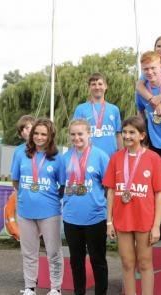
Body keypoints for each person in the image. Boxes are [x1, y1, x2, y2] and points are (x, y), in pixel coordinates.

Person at [103, 116, 161, 295]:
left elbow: (159, 194)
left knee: (145, 263)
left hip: (144, 220)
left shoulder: (154, 158)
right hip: (123, 219)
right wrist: (109, 222)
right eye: (124, 132)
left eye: (132, 132)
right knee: (127, 263)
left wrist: (156, 226)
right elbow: (110, 191)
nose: (127, 136)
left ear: (142, 135)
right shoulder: (116, 158)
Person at [11, 118, 64, 295]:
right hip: (25, 211)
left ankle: (55, 287)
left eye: (44, 134)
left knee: (53, 252)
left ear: (50, 136)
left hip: (50, 212)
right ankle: (29, 287)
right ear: (31, 134)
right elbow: (16, 180)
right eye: (36, 133)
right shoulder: (20, 154)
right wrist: (29, 196)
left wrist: (46, 197)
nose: (39, 137)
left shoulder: (57, 157)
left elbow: (62, 186)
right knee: (28, 252)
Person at [60, 119, 110, 295]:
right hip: (71, 217)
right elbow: (61, 184)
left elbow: (108, 188)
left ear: (89, 134)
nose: (76, 138)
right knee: (76, 261)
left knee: (98, 260)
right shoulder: (65, 158)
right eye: (73, 134)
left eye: (80, 134)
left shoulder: (101, 156)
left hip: (95, 217)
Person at [73, 72, 123, 157]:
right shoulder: (80, 109)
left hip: (111, 157)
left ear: (106, 86)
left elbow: (118, 135)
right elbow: (75, 134)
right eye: (93, 84)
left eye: (100, 84)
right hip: (88, 157)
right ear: (89, 87)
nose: (97, 87)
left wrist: (121, 155)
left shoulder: (114, 109)